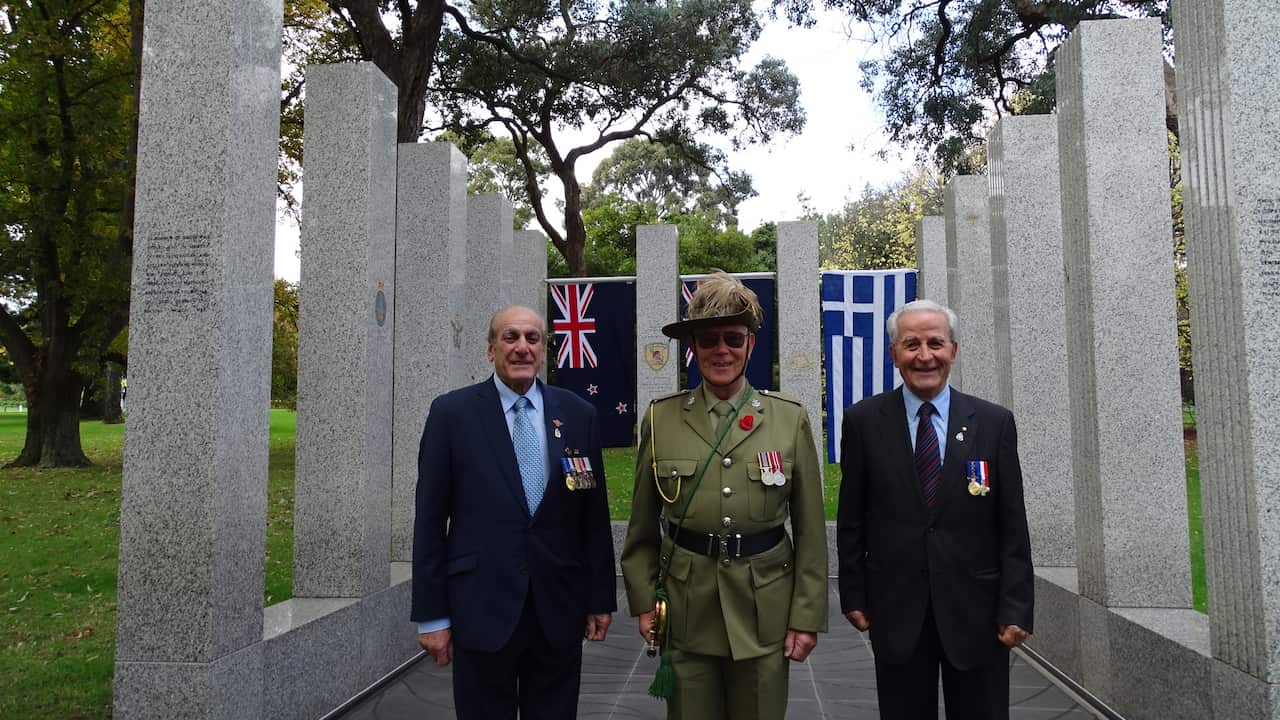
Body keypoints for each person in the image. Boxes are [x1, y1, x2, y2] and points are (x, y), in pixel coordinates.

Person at [620, 272, 828, 720]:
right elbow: (641, 528)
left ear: (750, 344)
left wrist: (806, 615)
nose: (722, 351)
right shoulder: (661, 419)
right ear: (692, 346)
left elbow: (811, 532)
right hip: (686, 607)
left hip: (764, 609)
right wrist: (643, 602)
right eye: (709, 339)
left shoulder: (788, 420)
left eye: (733, 338)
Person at [411, 306, 616, 720]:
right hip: (481, 609)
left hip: (557, 610)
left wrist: (600, 599)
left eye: (532, 338)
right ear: (490, 349)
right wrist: (431, 616)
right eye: (510, 337)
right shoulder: (452, 414)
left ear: (544, 351)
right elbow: (430, 522)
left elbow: (593, 517)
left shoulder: (578, 415)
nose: (522, 347)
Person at [837, 299, 1034, 720]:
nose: (924, 356)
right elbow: (852, 519)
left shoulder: (994, 422)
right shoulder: (863, 422)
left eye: (935, 343)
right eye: (911, 344)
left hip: (978, 614)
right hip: (897, 612)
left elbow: (1012, 524)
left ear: (954, 351)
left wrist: (1015, 607)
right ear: (894, 355)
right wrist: (853, 593)